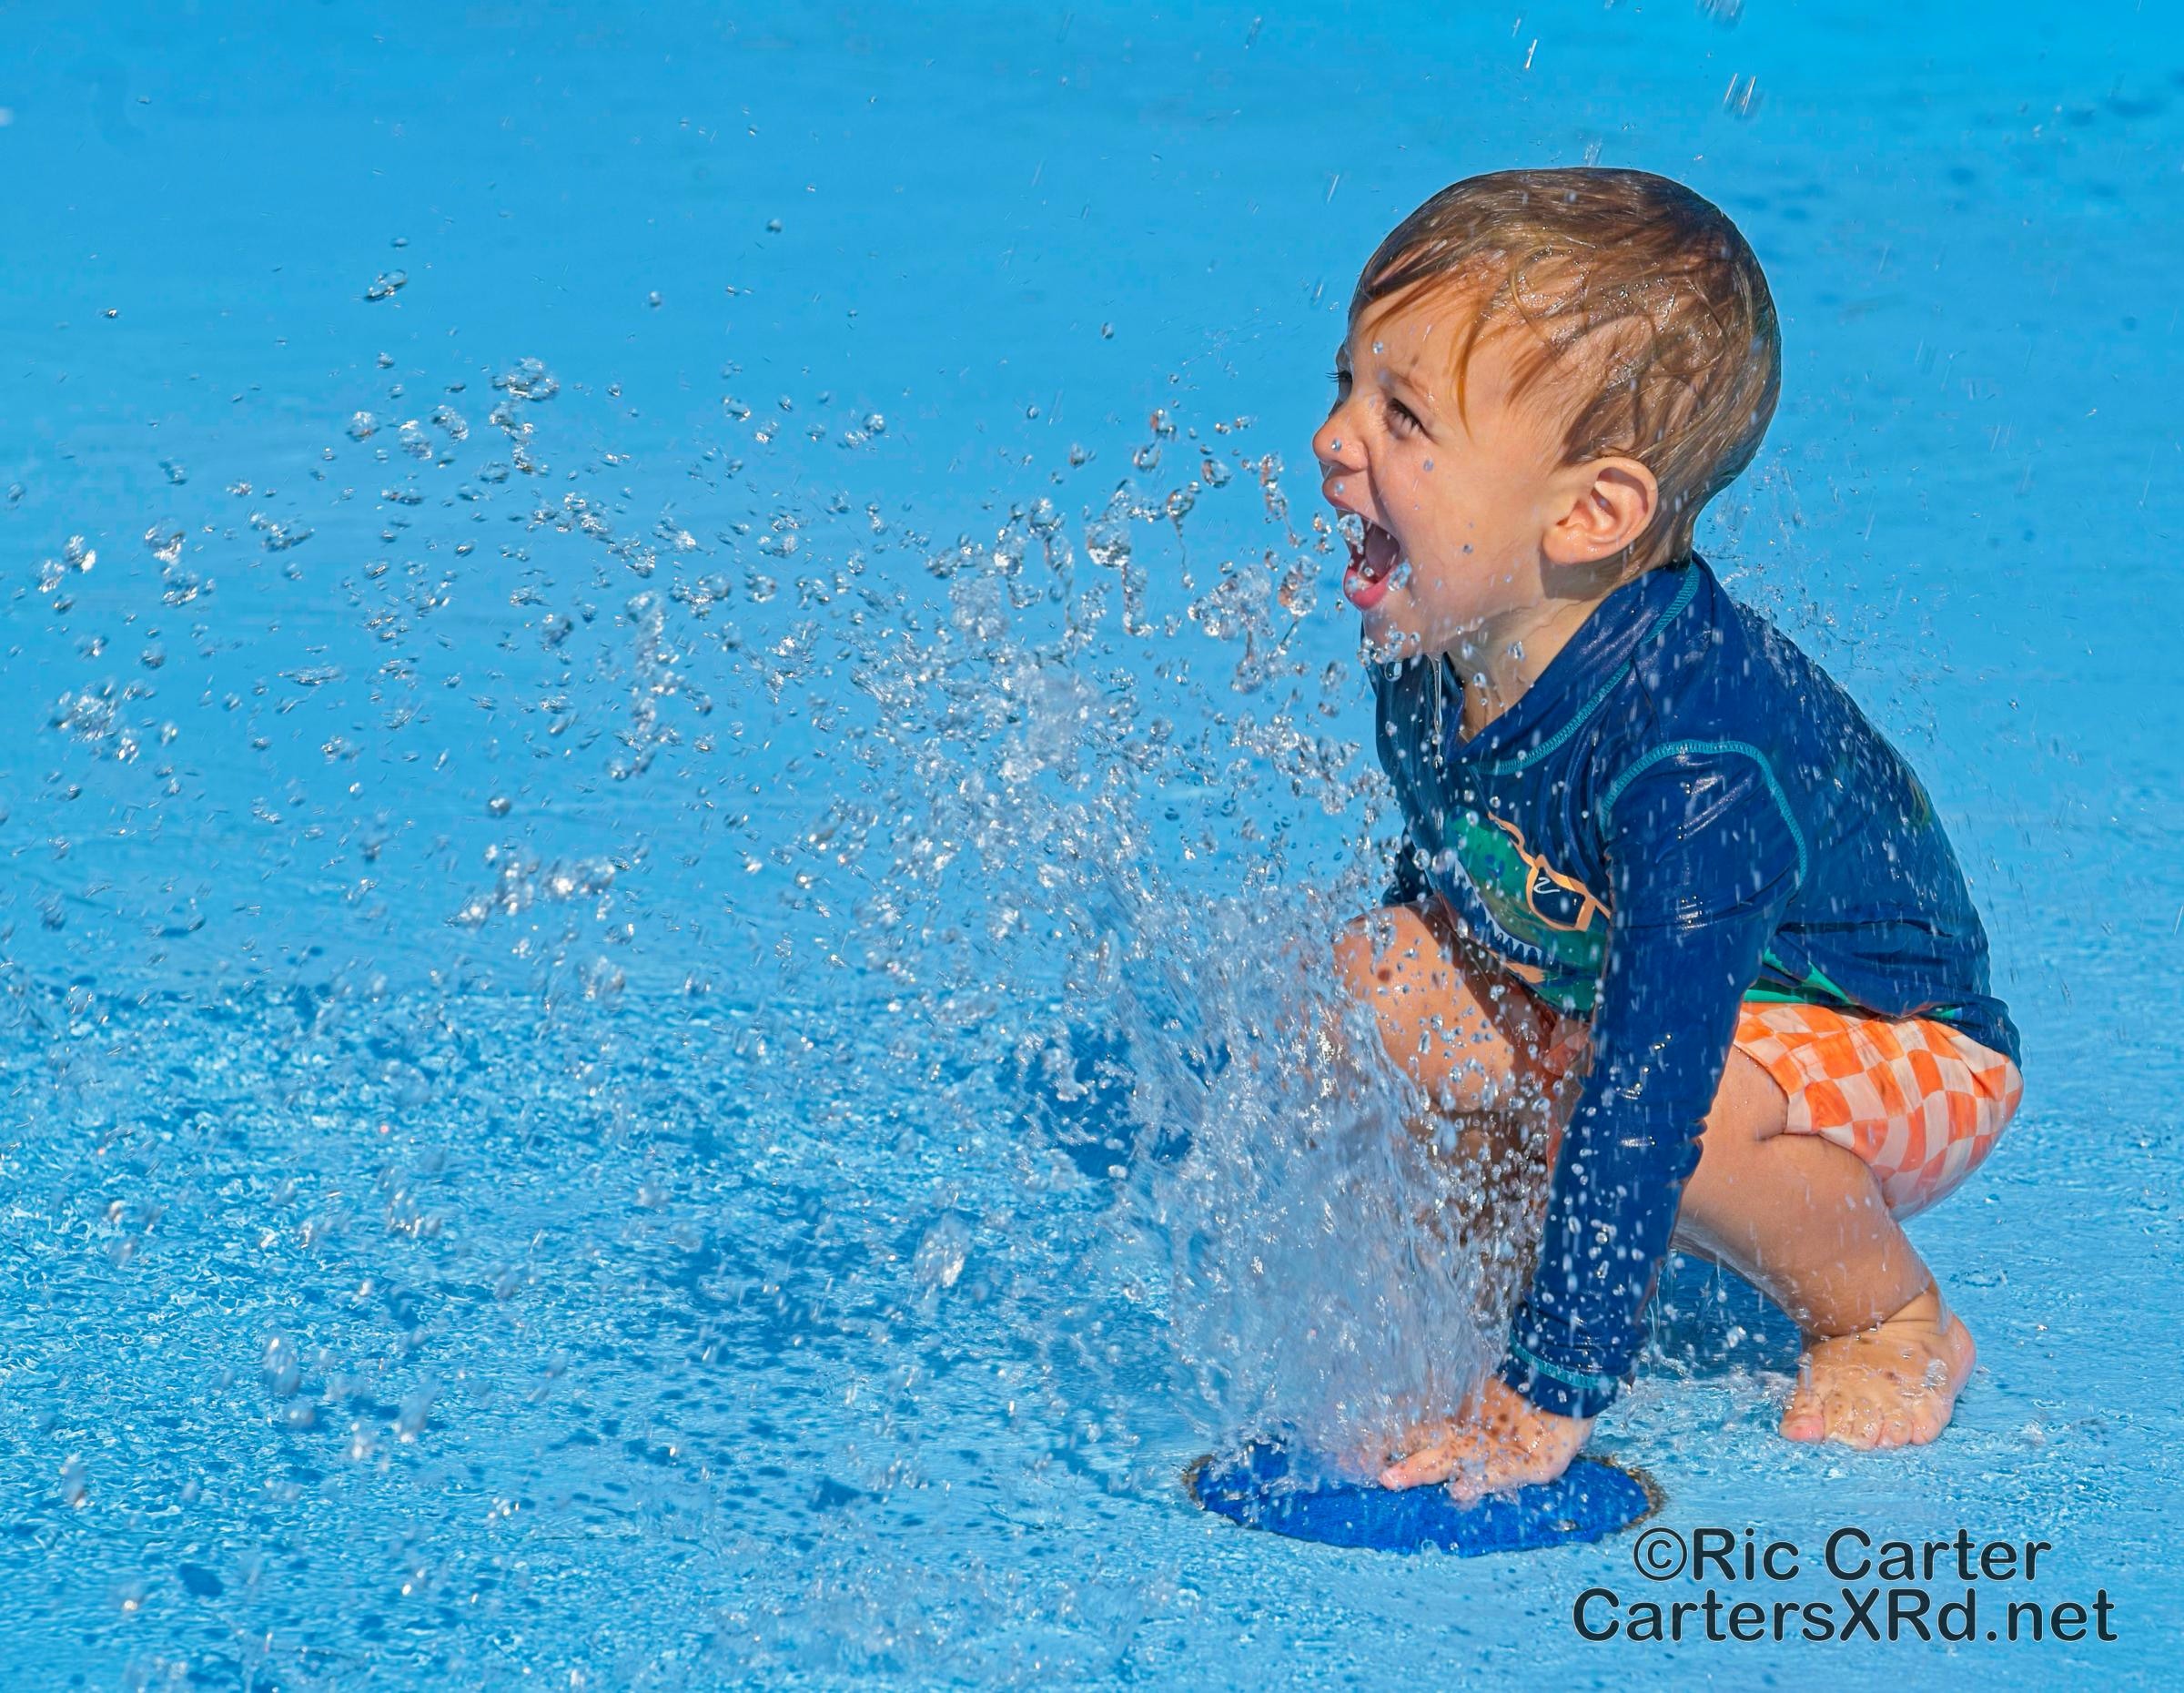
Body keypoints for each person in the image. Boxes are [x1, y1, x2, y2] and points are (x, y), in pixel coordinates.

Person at [1316, 167, 2023, 1499]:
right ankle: (1507, 1282)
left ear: (1591, 514)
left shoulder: (1694, 761)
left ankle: (1886, 1315)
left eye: (1402, 417)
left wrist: (1549, 1389)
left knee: (1672, 1114)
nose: (1333, 440)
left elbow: (1658, 1078)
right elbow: (1460, 885)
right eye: (1346, 383)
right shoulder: (1438, 654)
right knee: (1386, 974)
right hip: (1656, 1011)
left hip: (1895, 1041)